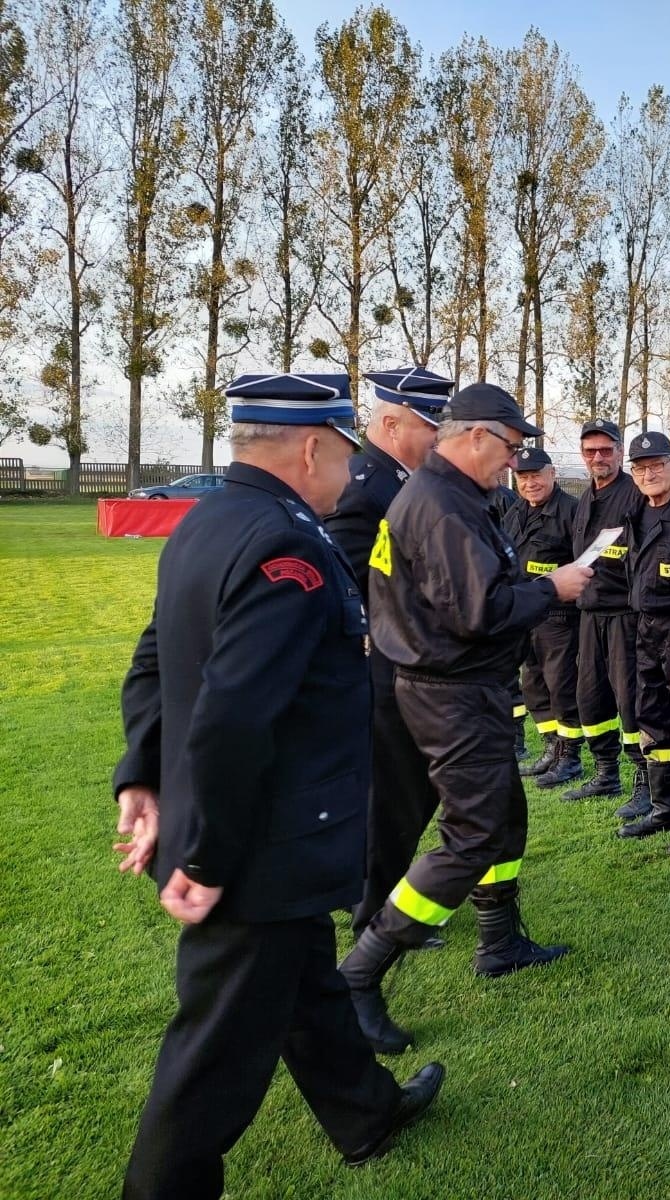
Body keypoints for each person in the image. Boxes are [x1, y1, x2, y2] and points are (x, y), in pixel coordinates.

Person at [114, 372, 443, 1200]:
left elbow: (156, 661)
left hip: (253, 837)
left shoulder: (207, 521)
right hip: (256, 846)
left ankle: (366, 1113)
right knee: (214, 1055)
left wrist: (141, 776)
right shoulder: (286, 548)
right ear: (311, 448)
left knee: (307, 983)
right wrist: (210, 856)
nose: (350, 471)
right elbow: (234, 716)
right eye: (345, 453)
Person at [340, 383, 592, 1053]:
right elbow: (480, 612)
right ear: (476, 436)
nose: (514, 462)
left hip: (461, 686)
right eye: (509, 447)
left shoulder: (448, 496)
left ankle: (499, 940)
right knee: (472, 834)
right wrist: (553, 587)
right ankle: (361, 973)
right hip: (452, 692)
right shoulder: (441, 506)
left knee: (504, 814)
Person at [324, 365, 453, 942]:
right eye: (430, 425)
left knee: (412, 793)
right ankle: (377, 916)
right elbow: (352, 585)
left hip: (407, 663)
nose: (438, 438)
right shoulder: (366, 488)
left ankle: (380, 896)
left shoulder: (398, 481)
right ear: (392, 423)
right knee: (394, 800)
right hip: (388, 668)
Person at [617, 430, 670, 838]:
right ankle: (665, 806)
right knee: (651, 715)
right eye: (639, 468)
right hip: (645, 627)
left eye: (656, 465)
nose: (648, 475)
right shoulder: (635, 511)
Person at [565, 418, 648, 804]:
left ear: (619, 452)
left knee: (631, 700)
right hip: (589, 615)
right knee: (590, 696)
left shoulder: (635, 495)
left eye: (605, 450)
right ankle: (605, 772)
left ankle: (646, 778)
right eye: (590, 451)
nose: (597, 457)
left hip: (623, 617)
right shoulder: (586, 498)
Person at [502, 446, 585, 788]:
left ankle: (570, 757)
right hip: (525, 612)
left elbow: (583, 562)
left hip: (559, 616)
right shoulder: (515, 511)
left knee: (561, 685)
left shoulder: (572, 511)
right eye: (522, 477)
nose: (529, 483)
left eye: (536, 475)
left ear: (552, 474)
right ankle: (552, 747)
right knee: (534, 686)